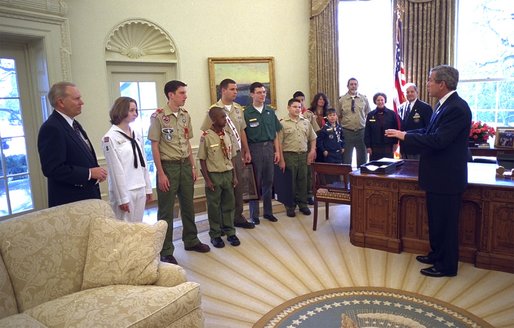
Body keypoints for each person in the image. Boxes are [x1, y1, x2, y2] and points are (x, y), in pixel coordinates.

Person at [385, 65, 472, 277]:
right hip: (437, 176)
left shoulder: (457, 108)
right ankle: (436, 254)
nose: (427, 84)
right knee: (436, 219)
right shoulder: (443, 105)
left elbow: (438, 140)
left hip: (447, 178)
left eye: (430, 80)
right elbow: (428, 131)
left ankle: (446, 266)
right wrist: (403, 133)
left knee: (446, 223)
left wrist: (404, 136)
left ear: (442, 84)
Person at [148, 80, 210, 265]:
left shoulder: (185, 116)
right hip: (168, 167)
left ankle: (191, 240)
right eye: (182, 93)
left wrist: (193, 166)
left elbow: (187, 144)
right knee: (166, 210)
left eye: (185, 92)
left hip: (184, 165)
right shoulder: (158, 117)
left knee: (188, 205)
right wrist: (160, 173)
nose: (185, 96)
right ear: (171, 95)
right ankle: (165, 249)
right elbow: (155, 145)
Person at [38, 81, 107, 207]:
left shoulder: (74, 124)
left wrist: (96, 173)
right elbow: (53, 169)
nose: (82, 102)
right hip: (71, 203)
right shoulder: (52, 128)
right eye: (77, 98)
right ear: (61, 102)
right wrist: (90, 173)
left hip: (87, 198)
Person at [201, 79, 254, 229]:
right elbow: (206, 132)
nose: (235, 92)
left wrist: (246, 150)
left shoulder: (238, 109)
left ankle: (238, 217)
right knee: (222, 191)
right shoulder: (214, 109)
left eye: (236, 89)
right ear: (223, 90)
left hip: (235, 153)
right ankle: (223, 222)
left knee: (237, 186)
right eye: (232, 89)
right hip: (219, 156)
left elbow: (242, 130)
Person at [102, 97, 152, 222]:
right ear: (121, 111)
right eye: (131, 110)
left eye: (136, 110)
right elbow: (115, 171)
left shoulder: (136, 134)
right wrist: (122, 198)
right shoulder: (110, 138)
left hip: (139, 186)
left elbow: (143, 163)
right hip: (125, 190)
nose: (135, 114)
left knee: (138, 225)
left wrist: (147, 188)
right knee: (125, 228)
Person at [198, 107, 240, 248]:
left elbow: (232, 156)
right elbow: (202, 160)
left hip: (227, 174)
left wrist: (234, 175)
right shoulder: (206, 136)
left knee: (229, 204)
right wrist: (207, 180)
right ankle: (215, 234)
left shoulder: (227, 134)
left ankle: (230, 232)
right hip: (214, 176)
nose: (225, 120)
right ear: (214, 119)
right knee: (214, 207)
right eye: (222, 117)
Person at [243, 82, 282, 225]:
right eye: (259, 92)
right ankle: (254, 215)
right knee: (255, 183)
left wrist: (277, 151)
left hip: (269, 148)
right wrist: (246, 152)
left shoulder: (270, 112)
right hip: (255, 149)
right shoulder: (246, 113)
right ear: (252, 94)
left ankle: (268, 212)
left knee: (269, 181)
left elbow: (276, 134)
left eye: (264, 92)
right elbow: (243, 135)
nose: (262, 95)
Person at [278, 98, 317, 217]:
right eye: (294, 107)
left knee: (303, 180)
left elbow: (313, 137)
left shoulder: (305, 122)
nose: (297, 109)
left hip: (303, 155)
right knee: (291, 183)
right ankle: (290, 206)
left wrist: (312, 151)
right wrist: (281, 160)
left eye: (299, 107)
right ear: (288, 108)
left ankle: (303, 204)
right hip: (289, 155)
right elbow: (279, 143)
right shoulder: (282, 123)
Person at [337, 78, 371, 167]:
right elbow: (339, 115)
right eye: (351, 84)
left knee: (363, 159)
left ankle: (361, 180)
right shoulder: (341, 100)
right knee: (346, 159)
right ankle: (347, 180)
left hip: (361, 132)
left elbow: (368, 114)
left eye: (355, 84)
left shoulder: (364, 99)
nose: (353, 86)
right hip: (347, 132)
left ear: (358, 85)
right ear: (347, 86)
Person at [294, 91, 320, 205]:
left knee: (309, 173)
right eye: (298, 101)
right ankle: (298, 196)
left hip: (308, 146)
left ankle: (309, 194)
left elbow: (315, 132)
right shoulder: (292, 114)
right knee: (298, 174)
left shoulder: (308, 114)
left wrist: (313, 149)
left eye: (302, 100)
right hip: (297, 147)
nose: (301, 103)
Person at [399, 83, 433, 159]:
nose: (409, 94)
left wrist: (407, 134)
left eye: (412, 91)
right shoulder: (400, 108)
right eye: (407, 92)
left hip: (418, 148)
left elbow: (428, 129)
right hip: (404, 149)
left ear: (417, 93)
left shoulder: (425, 107)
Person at [364, 92, 399, 161]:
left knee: (388, 167)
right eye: (378, 100)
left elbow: (396, 129)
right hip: (374, 147)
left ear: (385, 101)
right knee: (375, 168)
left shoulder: (392, 114)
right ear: (375, 101)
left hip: (388, 146)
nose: (380, 102)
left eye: (382, 100)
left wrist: (395, 143)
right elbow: (367, 131)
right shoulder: (370, 115)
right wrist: (368, 146)